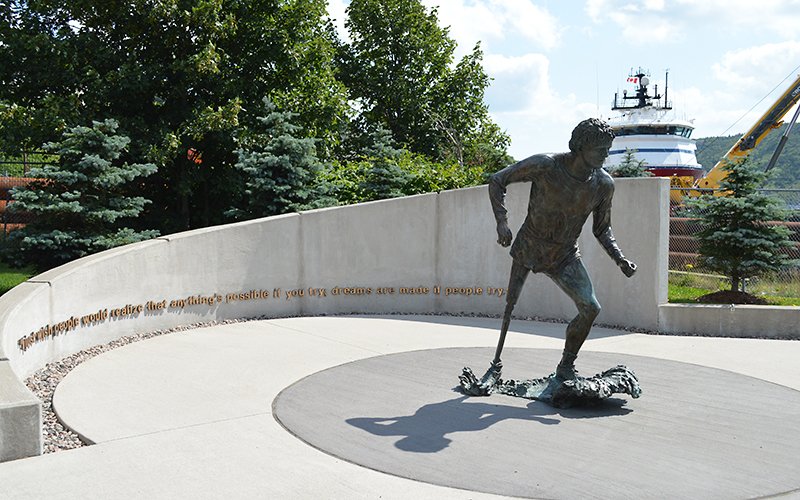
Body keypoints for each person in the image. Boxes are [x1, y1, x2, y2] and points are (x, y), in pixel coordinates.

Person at [488, 118, 637, 380]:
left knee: (591, 308)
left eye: (607, 149)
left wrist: (620, 259)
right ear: (580, 146)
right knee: (510, 305)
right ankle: (495, 365)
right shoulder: (546, 165)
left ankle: (566, 367)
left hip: (565, 255)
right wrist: (502, 223)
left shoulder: (603, 184)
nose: (606, 155)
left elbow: (602, 229)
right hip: (530, 245)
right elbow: (498, 180)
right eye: (600, 149)